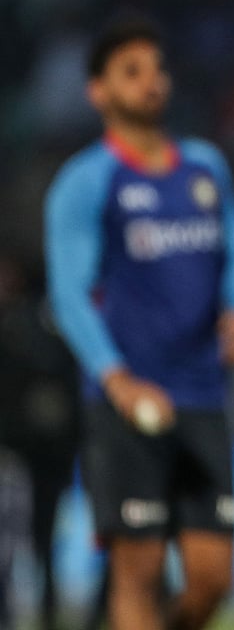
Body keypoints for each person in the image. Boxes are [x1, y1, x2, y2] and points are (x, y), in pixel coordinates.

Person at [44, 12, 234, 630]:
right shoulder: (87, 180)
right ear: (99, 92)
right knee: (136, 571)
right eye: (131, 71)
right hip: (127, 405)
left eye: (157, 69)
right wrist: (116, 380)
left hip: (202, 395)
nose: (151, 81)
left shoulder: (204, 167)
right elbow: (69, 294)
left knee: (213, 578)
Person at [0, 254, 80, 630]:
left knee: (40, 534)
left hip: (44, 447)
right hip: (19, 447)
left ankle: (44, 608)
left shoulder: (42, 320)